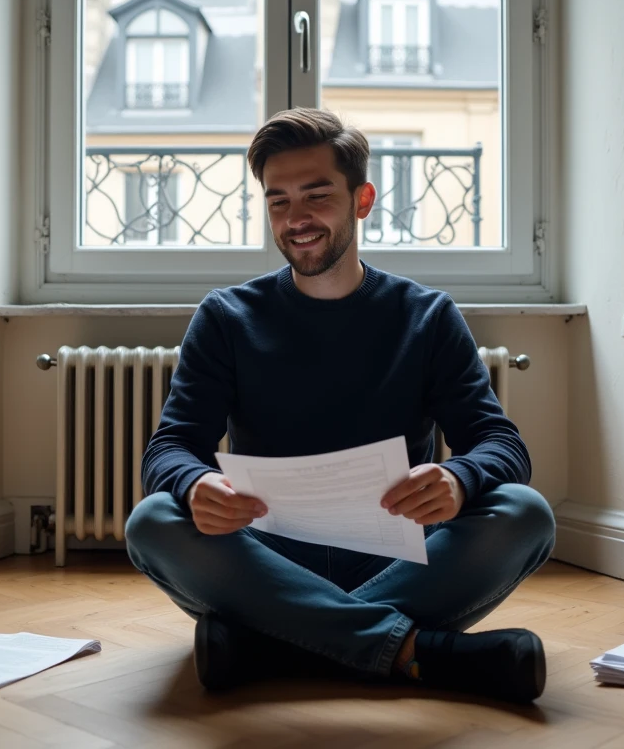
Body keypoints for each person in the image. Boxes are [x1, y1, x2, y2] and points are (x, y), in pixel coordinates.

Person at [124, 107, 556, 704]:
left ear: (362, 199)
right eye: (278, 201)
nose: (296, 219)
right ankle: (410, 652)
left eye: (316, 195)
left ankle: (269, 647)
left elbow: (501, 445)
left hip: (402, 557)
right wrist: (195, 483)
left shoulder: (427, 317)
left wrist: (459, 478)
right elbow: (169, 449)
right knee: (152, 522)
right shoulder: (225, 318)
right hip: (265, 564)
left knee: (525, 512)